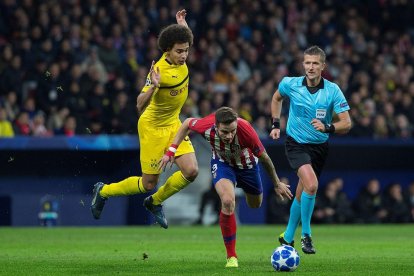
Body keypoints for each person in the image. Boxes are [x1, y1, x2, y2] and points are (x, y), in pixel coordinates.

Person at [91, 10, 198, 229]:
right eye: (180, 51)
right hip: (152, 127)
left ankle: (155, 202)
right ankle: (103, 191)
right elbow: (139, 104)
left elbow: (185, 38)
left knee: (191, 171)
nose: (184, 55)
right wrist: (154, 87)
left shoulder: (180, 52)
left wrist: (182, 24)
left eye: (186, 50)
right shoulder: (159, 71)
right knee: (149, 182)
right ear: (167, 50)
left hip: (173, 124)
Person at [159, 106, 292, 268]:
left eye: (232, 131)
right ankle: (231, 256)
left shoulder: (246, 130)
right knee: (228, 201)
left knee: (255, 204)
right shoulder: (205, 125)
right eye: (225, 132)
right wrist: (171, 151)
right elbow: (186, 123)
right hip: (223, 165)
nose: (229, 136)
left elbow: (265, 158)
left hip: (248, 167)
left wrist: (277, 183)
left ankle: (245, 189)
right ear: (216, 126)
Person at [269, 45, 352, 254]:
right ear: (303, 64)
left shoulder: (333, 90)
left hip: (319, 147)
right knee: (312, 185)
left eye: (315, 63)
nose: (311, 67)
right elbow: (276, 98)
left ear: (323, 66)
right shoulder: (291, 84)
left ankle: (288, 237)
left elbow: (347, 123)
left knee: (302, 192)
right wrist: (275, 124)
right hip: (296, 143)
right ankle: (306, 234)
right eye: (307, 63)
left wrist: (328, 127)